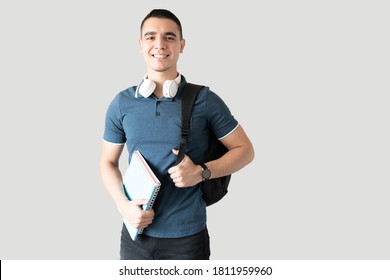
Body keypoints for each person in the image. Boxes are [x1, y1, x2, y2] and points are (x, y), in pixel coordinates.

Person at [99, 8, 254, 260]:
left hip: (187, 239)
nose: (159, 44)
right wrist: (122, 205)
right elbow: (106, 162)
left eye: (169, 37)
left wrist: (202, 171)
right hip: (135, 236)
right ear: (140, 44)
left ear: (181, 45)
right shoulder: (121, 103)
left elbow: (245, 150)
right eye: (150, 37)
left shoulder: (205, 100)